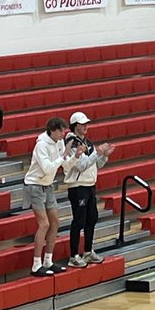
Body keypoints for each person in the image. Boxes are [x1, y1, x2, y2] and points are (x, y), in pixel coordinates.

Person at [24, 116, 81, 277]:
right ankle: (36, 264)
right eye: (61, 131)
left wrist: (75, 156)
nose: (63, 134)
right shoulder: (41, 145)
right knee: (44, 224)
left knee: (55, 222)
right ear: (53, 130)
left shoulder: (59, 143)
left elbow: (65, 165)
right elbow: (48, 167)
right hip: (34, 185)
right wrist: (63, 157)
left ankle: (48, 260)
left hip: (48, 185)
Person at [63, 111, 115, 269]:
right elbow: (80, 165)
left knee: (91, 218)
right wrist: (97, 154)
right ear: (75, 126)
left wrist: (104, 156)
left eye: (87, 123)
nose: (86, 126)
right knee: (78, 221)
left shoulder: (88, 142)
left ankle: (87, 251)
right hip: (78, 187)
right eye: (82, 123)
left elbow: (95, 165)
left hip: (90, 185)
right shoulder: (71, 143)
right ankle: (73, 256)